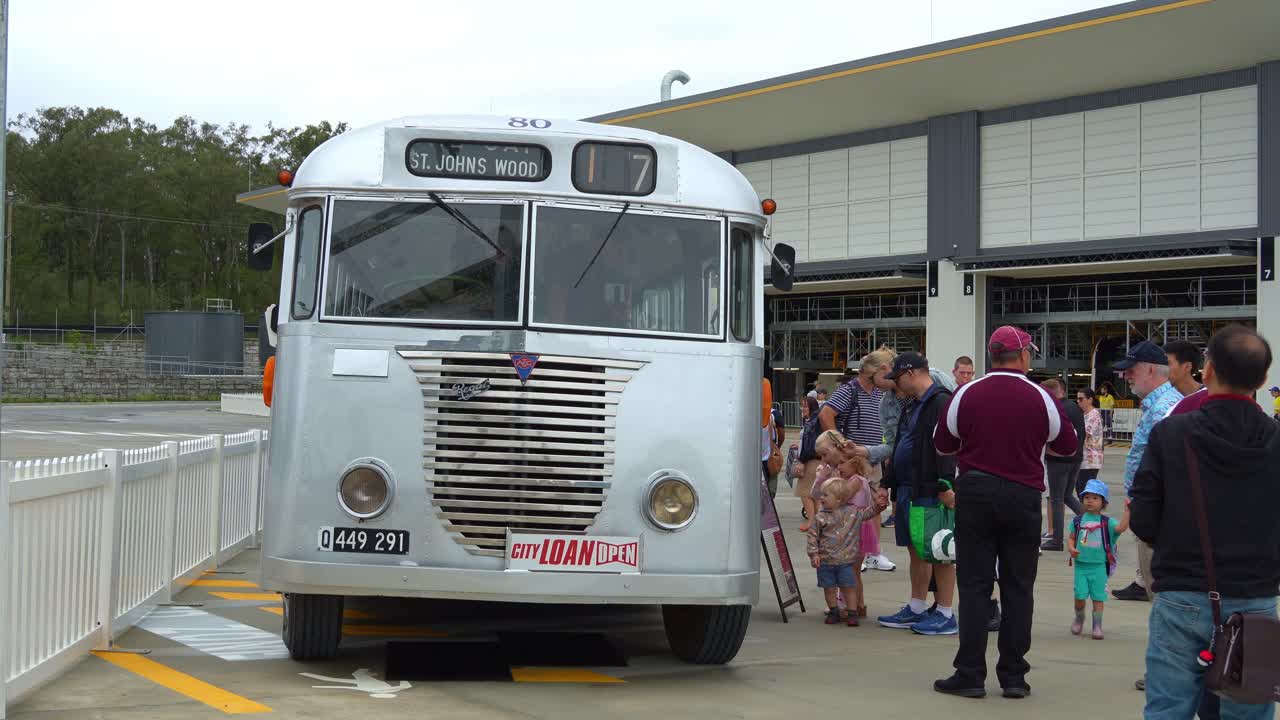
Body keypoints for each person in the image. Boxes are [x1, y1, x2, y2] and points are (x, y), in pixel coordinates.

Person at [1130, 325, 1280, 720]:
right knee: (1249, 711)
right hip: (1256, 598)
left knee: (1168, 708)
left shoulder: (1171, 434)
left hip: (1182, 592)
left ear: (1207, 370)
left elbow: (1144, 519)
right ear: (1263, 380)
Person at [932, 325, 1078, 700]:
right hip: (1023, 494)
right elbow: (1067, 445)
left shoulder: (967, 393)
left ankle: (970, 673)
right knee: (1018, 588)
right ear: (1024, 355)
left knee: (975, 585)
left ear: (991, 355)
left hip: (976, 493)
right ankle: (1014, 675)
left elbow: (942, 442)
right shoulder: (1041, 397)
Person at [876, 352, 958, 636]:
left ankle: (946, 612)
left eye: (897, 378)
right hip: (910, 488)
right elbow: (902, 443)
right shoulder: (913, 405)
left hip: (931, 489)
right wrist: (888, 482)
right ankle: (917, 606)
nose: (896, 385)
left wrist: (946, 484)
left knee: (940, 550)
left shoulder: (940, 402)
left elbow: (948, 447)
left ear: (911, 373)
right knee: (917, 549)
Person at [1111, 341, 1183, 603]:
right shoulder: (1157, 406)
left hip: (1159, 513)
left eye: (1131, 370)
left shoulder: (1166, 409)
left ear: (1151, 370)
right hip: (1149, 508)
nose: (1125, 376)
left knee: (1162, 595)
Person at [820, 351, 895, 572]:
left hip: (873, 457)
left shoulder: (880, 393)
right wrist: (840, 444)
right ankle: (853, 552)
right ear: (874, 370)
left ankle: (873, 552)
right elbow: (826, 414)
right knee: (851, 505)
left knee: (875, 506)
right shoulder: (849, 390)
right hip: (853, 459)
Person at [807, 474, 889, 627]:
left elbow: (868, 513)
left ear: (839, 499)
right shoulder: (820, 517)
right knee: (829, 588)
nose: (822, 498)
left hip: (847, 560)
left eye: (826, 495)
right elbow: (812, 536)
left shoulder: (853, 512)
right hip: (826, 560)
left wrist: (878, 507)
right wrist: (814, 553)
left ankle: (852, 612)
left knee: (848, 588)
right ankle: (833, 610)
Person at [1067, 478, 1129, 640]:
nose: (1090, 501)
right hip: (1081, 566)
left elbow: (1120, 528)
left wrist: (1128, 511)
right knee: (1079, 597)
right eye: (1087, 497)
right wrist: (1071, 548)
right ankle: (1079, 617)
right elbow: (1072, 537)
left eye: (1095, 498)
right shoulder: (1078, 521)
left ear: (1103, 502)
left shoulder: (1107, 523)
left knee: (1098, 598)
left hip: (1099, 567)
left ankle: (1097, 625)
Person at [1041, 378, 1085, 552]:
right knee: (1067, 496)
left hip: (1059, 460)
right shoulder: (1075, 407)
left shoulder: (1056, 408)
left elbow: (1051, 433)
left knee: (1057, 499)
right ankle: (1091, 521)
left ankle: (1056, 540)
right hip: (1076, 459)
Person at [796, 396, 822, 532]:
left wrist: (802, 461)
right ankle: (817, 522)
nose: (803, 409)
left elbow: (810, 445)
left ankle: (812, 522)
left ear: (812, 407)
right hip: (816, 461)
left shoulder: (812, 422)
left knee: (804, 492)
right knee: (815, 494)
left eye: (805, 406)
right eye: (802, 406)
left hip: (810, 462)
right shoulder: (814, 421)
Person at [1163, 340, 1206, 416]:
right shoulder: (1162, 400)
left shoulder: (1208, 397)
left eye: (1167, 363)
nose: (1162, 368)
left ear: (1187, 367)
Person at [1075, 387, 1105, 496]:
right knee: (1080, 489)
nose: (1078, 401)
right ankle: (1084, 512)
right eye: (1077, 399)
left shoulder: (1093, 415)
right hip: (1084, 458)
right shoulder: (1084, 414)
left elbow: (1085, 434)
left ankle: (1086, 512)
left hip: (1090, 459)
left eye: (1081, 399)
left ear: (1090, 400)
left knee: (1084, 491)